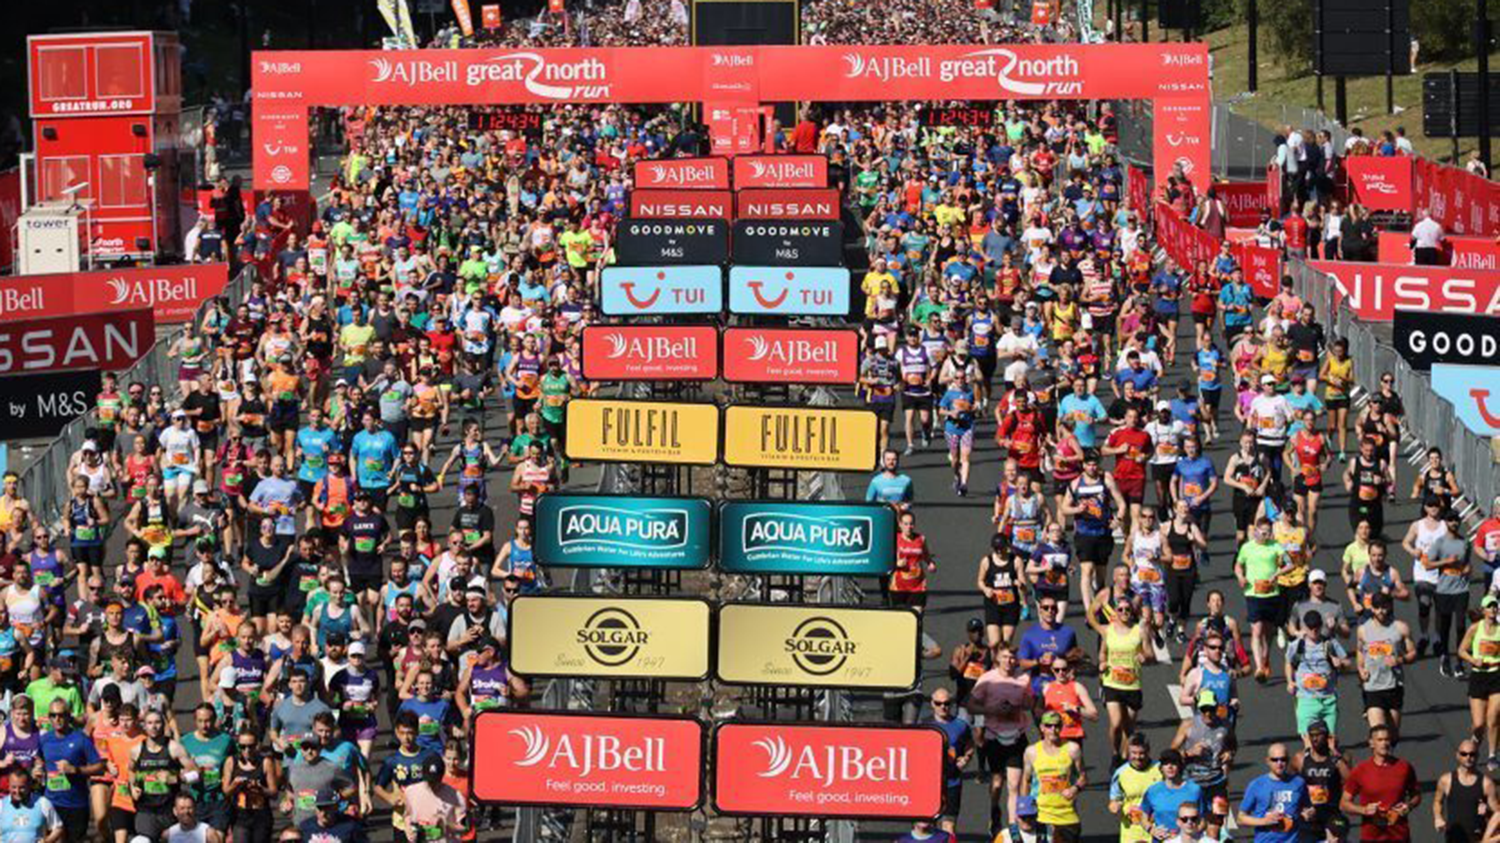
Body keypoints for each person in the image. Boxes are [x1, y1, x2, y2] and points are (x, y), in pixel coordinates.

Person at [966, 646, 1031, 833]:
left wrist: (1018, 706)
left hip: (1017, 736)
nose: (1008, 661)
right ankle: (995, 811)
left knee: (1014, 785)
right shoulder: (987, 678)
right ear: (997, 659)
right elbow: (971, 705)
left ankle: (1013, 826)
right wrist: (991, 710)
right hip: (994, 736)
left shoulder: (1023, 678)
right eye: (1005, 657)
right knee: (997, 783)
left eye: (1012, 658)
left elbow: (1029, 704)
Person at [1341, 725, 1420, 843]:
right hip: (1371, 837)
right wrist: (1364, 810)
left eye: (1387, 739)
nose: (1384, 743)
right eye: (1380, 740)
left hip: (1400, 836)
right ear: (1371, 743)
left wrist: (1409, 806)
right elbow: (1344, 804)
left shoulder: (1404, 767)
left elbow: (1416, 795)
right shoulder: (1360, 770)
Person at [1236, 517, 1293, 681]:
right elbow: (1238, 565)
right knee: (1257, 630)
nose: (1266, 535)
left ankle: (1265, 658)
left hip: (1272, 593)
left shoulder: (1276, 546)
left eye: (1269, 532)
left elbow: (1290, 564)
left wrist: (1277, 574)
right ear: (1256, 531)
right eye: (1263, 532)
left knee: (1268, 632)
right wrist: (1241, 577)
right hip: (1253, 593)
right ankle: (1259, 667)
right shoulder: (1247, 548)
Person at [1286, 610, 1350, 750]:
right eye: (1310, 628)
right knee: (1309, 743)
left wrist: (1340, 663)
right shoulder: (1296, 645)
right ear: (1304, 627)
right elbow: (1289, 663)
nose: (1313, 631)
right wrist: (1290, 681)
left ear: (1321, 626)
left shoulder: (1330, 643)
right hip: (1306, 699)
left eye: (1316, 627)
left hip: (1328, 698)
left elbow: (1348, 664)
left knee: (1330, 742)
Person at [1357, 593, 1417, 738]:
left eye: (1384, 607)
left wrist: (1400, 660)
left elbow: (1413, 653)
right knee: (1379, 733)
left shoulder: (1400, 628)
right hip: (1372, 687)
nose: (1381, 611)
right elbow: (1359, 651)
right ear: (1371, 608)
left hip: (1393, 686)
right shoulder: (1363, 630)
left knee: (1392, 735)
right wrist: (1361, 668)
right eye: (1377, 608)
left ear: (1389, 606)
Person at [1020, 711, 1084, 842]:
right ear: (1042, 728)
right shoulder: (1031, 752)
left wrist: (1075, 788)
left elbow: (1083, 777)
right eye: (1049, 726)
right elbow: (1026, 781)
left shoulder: (1072, 749)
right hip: (1041, 817)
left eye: (1056, 726)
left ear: (1061, 727)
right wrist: (1024, 809)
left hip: (1067, 816)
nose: (1053, 730)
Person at [1237, 743, 1314, 842]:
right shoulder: (1257, 785)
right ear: (1267, 761)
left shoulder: (1298, 782)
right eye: (1275, 760)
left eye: (1283, 759)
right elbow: (1241, 818)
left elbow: (1307, 808)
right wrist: (1264, 821)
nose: (1279, 763)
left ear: (1288, 760)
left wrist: (1309, 813)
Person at [1458, 594, 1500, 771]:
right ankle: (1475, 740)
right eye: (1489, 606)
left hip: (1496, 674)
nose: (1493, 609)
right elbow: (1461, 650)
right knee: (1478, 724)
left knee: (1493, 718)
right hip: (1478, 677)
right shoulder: (1475, 629)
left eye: (1495, 606)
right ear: (1483, 610)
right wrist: (1473, 660)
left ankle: (1492, 755)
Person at [925, 688, 972, 836]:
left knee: (949, 827)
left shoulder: (960, 725)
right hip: (928, 782)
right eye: (938, 703)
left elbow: (970, 745)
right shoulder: (924, 725)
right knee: (926, 826)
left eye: (946, 703)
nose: (942, 707)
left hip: (952, 781)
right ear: (932, 704)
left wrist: (966, 758)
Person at [1434, 740, 1498, 842]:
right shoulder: (1446, 780)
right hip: (1453, 839)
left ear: (1477, 756)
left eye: (1472, 754)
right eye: (1464, 754)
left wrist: (1487, 813)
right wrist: (1438, 817)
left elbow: (1498, 814)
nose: (1468, 757)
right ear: (1457, 755)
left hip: (1477, 839)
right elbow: (1438, 801)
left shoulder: (1486, 784)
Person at [1106, 733, 1160, 843]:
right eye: (1134, 753)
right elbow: (1114, 800)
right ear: (1128, 752)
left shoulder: (1160, 769)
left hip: (1156, 830)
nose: (1138, 757)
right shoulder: (1121, 773)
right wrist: (1115, 806)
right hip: (1131, 832)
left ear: (1148, 751)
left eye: (1142, 753)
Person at [0, 769, 62, 843]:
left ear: (29, 785)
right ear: (8, 786)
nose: (17, 791)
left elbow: (58, 827)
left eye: (22, 787)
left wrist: (47, 841)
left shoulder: (42, 802)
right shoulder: (1, 805)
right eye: (14, 787)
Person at [296, 788, 367, 843]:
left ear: (336, 807)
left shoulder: (350, 826)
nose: (323, 813)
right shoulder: (305, 827)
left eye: (327, 808)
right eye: (320, 808)